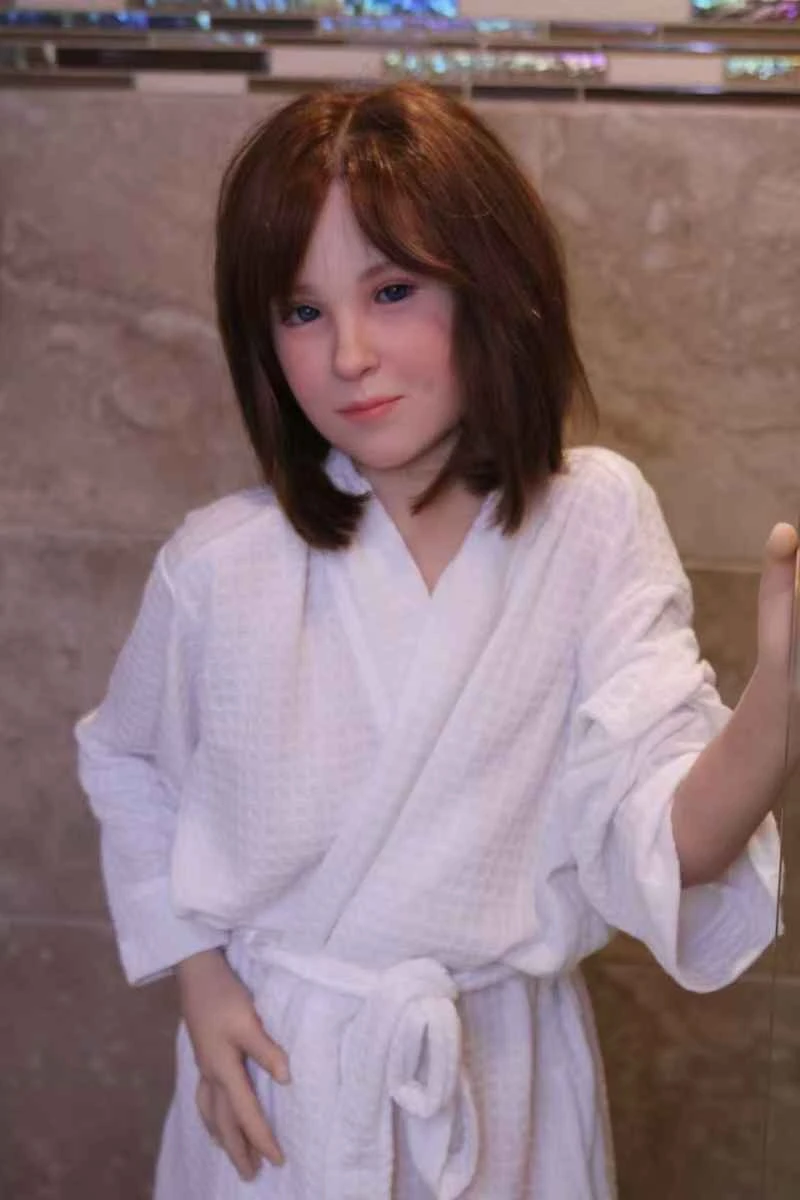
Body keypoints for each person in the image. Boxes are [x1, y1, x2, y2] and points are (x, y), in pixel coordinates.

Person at [75, 82, 796, 1200]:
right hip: (283, 1087)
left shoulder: (590, 523)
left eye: (393, 289)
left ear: (492, 286)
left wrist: (779, 697)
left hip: (498, 1090)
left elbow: (669, 842)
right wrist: (197, 974)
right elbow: (124, 761)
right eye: (300, 311)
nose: (349, 353)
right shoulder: (219, 565)